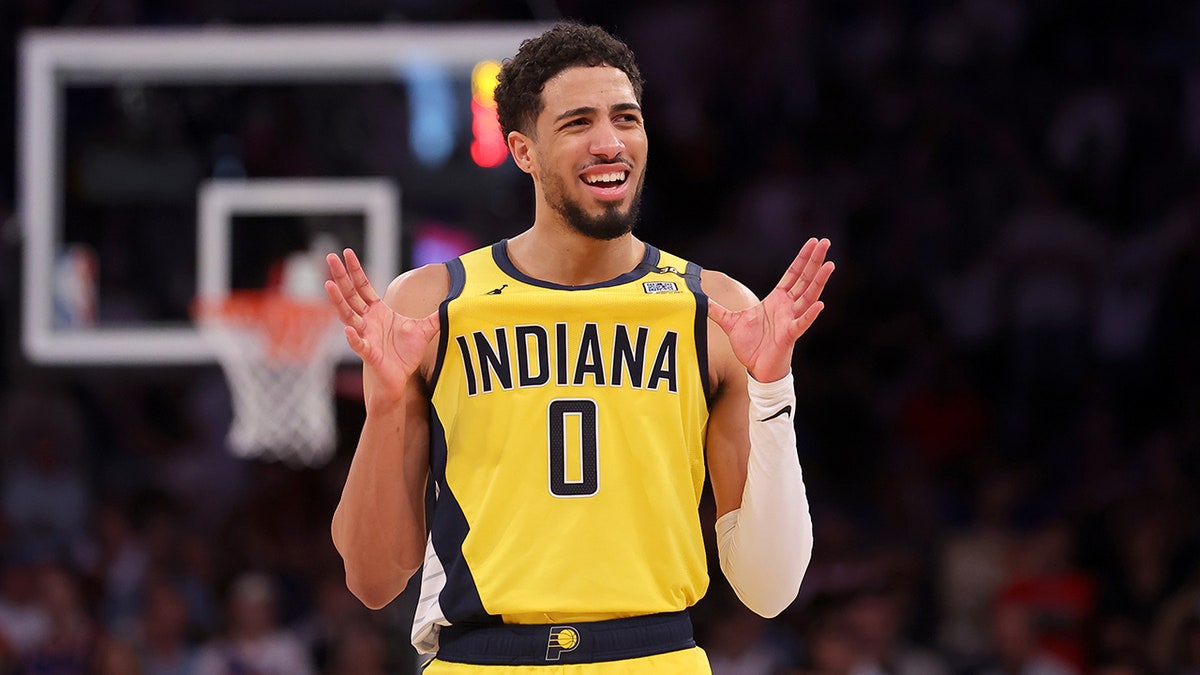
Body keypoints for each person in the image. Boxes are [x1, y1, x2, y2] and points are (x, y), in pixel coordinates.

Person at [324, 21, 834, 674]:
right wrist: (387, 406)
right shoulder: (431, 307)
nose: (609, 142)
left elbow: (770, 589)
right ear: (523, 150)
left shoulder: (714, 310)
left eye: (627, 118)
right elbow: (372, 579)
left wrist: (772, 390)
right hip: (480, 657)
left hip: (653, 655)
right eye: (577, 122)